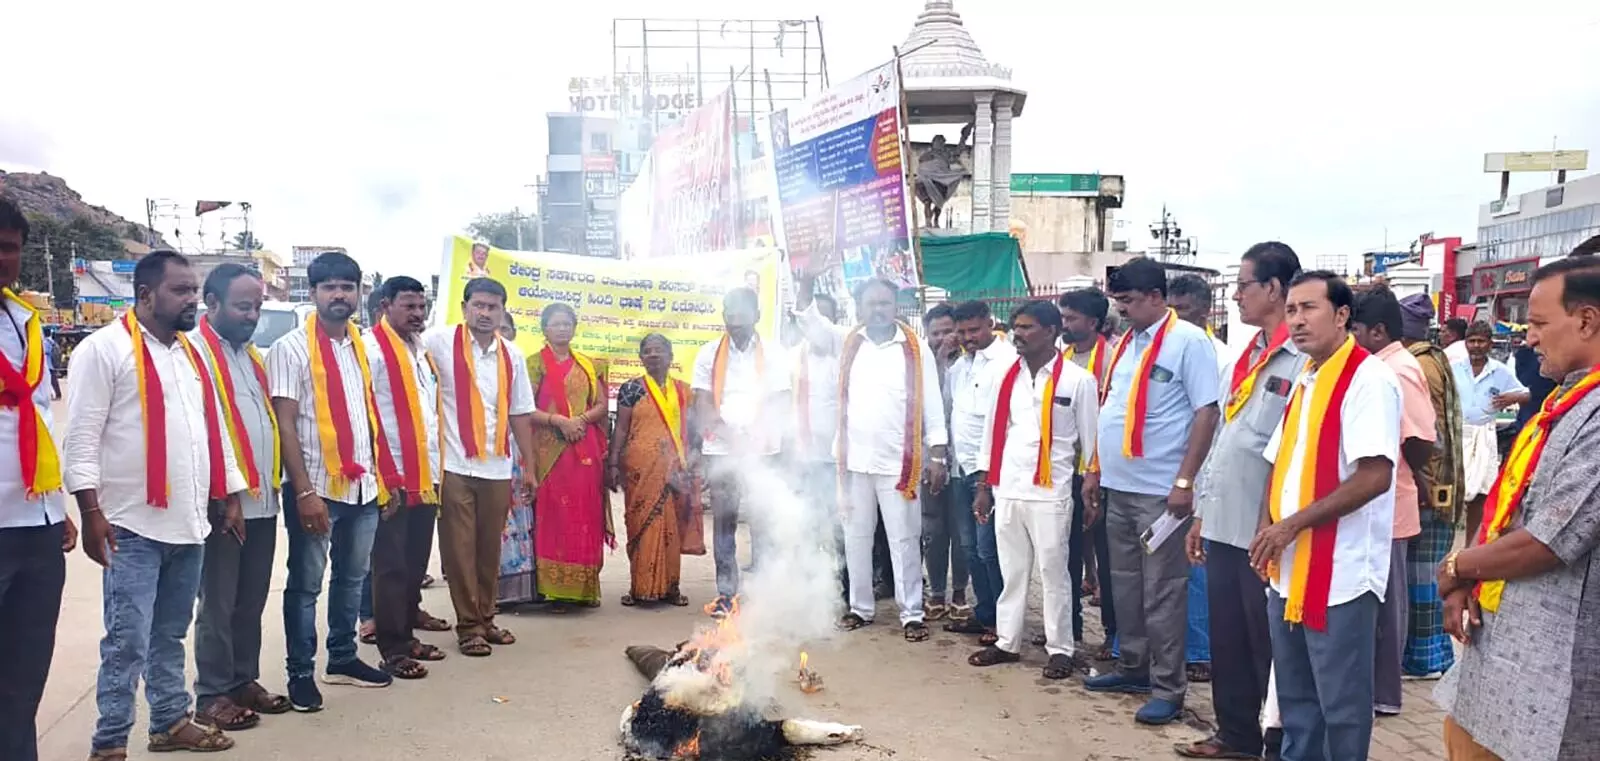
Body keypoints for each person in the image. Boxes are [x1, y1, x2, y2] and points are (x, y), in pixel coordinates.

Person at [67, 250, 249, 756]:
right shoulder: (104, 350)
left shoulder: (191, 355)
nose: (193, 299)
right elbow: (80, 438)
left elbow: (212, 432)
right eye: (181, 291)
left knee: (169, 635)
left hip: (188, 524)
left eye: (194, 289)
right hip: (130, 525)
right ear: (145, 295)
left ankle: (169, 723)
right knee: (126, 643)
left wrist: (229, 495)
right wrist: (90, 512)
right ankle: (109, 743)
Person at [1434, 254, 1600, 760]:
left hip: (1555, 670)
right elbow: (1514, 507)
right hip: (1508, 649)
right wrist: (1470, 577)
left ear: (1587, 320)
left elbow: (1552, 538)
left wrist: (1458, 565)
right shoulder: (1566, 401)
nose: (1528, 338)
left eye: (1538, 323)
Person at [1248, 270, 1400, 761]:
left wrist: (1291, 525)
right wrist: (1266, 527)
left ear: (1341, 316)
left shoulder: (1368, 379)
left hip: (1341, 574)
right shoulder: (1307, 378)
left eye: (1309, 308)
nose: (1296, 320)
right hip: (1290, 571)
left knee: (1340, 706)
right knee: (1296, 702)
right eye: (1291, 310)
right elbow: (1281, 463)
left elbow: (1375, 475)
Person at [1177, 242, 1302, 761]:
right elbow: (1225, 437)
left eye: (1244, 285)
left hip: (1266, 525)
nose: (1236, 296)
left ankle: (1275, 739)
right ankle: (1235, 736)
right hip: (1224, 518)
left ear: (1274, 288)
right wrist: (1200, 511)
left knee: (1267, 644)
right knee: (1229, 638)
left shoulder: (1301, 359)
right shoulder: (1244, 355)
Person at [1084, 256, 1221, 726]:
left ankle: (1168, 687)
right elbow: (1113, 411)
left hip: (1163, 496)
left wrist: (1185, 482)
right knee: (1124, 586)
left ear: (1157, 298)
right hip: (1119, 489)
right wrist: (1095, 471)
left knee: (1163, 591)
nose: (1120, 309)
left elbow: (1207, 412)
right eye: (1118, 301)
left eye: (1128, 301)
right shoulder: (1127, 342)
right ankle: (1133, 667)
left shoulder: (1189, 342)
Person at [270, 250, 402, 713]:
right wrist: (304, 492)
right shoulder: (290, 349)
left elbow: (370, 416)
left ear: (360, 293)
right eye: (330, 287)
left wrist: (384, 480)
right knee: (306, 585)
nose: (340, 294)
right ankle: (300, 673)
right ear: (313, 293)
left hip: (363, 488)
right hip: (317, 489)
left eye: (348, 286)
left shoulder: (364, 345)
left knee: (351, 580)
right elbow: (285, 425)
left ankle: (342, 658)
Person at [795, 269, 949, 643]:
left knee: (904, 538)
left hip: (901, 463)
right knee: (856, 536)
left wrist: (938, 456)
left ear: (896, 306)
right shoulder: (848, 341)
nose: (878, 310)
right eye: (870, 303)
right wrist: (807, 284)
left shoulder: (915, 348)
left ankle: (911, 613)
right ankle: (860, 608)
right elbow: (809, 323)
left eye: (884, 303)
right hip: (853, 461)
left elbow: (931, 403)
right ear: (859, 308)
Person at [967, 301, 1099, 680]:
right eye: (1016, 327)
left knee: (1054, 572)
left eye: (1027, 327)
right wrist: (984, 487)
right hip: (1007, 486)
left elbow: (1090, 443)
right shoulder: (1005, 376)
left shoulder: (1078, 380)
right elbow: (992, 433)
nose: (1019, 334)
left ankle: (1061, 648)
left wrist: (1091, 482)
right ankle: (1007, 642)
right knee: (1012, 570)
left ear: (1052, 331)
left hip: (1051, 489)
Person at [190, 264, 292, 730]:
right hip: (222, 503)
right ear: (210, 304)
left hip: (261, 500)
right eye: (242, 306)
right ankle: (212, 693)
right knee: (218, 602)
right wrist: (225, 494)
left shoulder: (251, 357)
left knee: (249, 601)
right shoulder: (193, 354)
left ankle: (242, 679)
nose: (252, 315)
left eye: (256, 306)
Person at [424, 278, 538, 656]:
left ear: (503, 311)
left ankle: (487, 617)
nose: (485, 313)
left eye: (493, 307)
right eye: (479, 305)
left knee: (490, 550)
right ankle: (468, 625)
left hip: (497, 466)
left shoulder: (512, 355)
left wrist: (530, 468)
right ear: (465, 307)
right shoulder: (437, 343)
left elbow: (520, 413)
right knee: (459, 550)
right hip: (454, 464)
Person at [0, 200, 76, 761]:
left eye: (10, 246)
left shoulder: (25, 320)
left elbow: (39, 419)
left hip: (36, 525)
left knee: (23, 678)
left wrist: (58, 504)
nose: (3, 258)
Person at [1348, 286, 1437, 717]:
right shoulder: (1380, 364)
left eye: (1357, 330)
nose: (1352, 338)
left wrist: (1408, 469)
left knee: (1386, 605)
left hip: (1390, 500)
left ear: (1378, 331)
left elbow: (1420, 439)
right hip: (1380, 499)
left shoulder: (1398, 370)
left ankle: (1384, 693)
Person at [365, 276, 449, 679]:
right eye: (408, 306)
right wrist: (385, 475)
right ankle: (393, 648)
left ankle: (407, 632)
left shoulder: (420, 350)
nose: (417, 314)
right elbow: (368, 416)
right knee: (391, 565)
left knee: (415, 560)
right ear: (386, 305)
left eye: (421, 307)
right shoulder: (371, 350)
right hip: (392, 473)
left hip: (425, 472)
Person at [692, 287, 789, 617]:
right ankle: (726, 593)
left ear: (757, 315)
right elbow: (702, 401)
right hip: (722, 448)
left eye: (742, 313)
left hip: (763, 448)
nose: (735, 320)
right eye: (729, 313)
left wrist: (754, 434)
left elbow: (780, 401)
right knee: (725, 521)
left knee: (762, 519)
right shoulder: (708, 353)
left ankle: (763, 594)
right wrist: (729, 434)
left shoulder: (774, 353)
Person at [1394, 293, 1464, 681]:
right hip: (1442, 481)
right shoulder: (1435, 357)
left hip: (1427, 484)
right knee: (1426, 572)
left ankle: (1423, 660)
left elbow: (1421, 436)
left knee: (1419, 575)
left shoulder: (1414, 365)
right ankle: (1433, 656)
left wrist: (1420, 480)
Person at [527, 302, 611, 607]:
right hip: (549, 451)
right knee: (553, 514)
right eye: (556, 324)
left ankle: (585, 589)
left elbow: (601, 403)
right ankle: (553, 588)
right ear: (544, 328)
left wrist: (581, 421)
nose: (562, 329)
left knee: (584, 513)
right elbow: (525, 407)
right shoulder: (533, 364)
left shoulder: (589, 365)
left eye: (567, 324)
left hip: (583, 447)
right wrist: (558, 421)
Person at [943, 300, 1017, 643]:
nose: (968, 337)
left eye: (974, 330)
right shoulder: (960, 366)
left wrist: (988, 477)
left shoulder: (1007, 362)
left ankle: (1003, 623)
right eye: (962, 332)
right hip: (961, 467)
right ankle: (984, 611)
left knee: (991, 549)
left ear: (990, 324)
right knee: (970, 548)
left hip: (989, 473)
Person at [611, 333, 698, 606]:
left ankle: (671, 586)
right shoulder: (631, 389)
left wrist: (696, 462)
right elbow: (622, 428)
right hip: (640, 469)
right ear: (640, 358)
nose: (653, 355)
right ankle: (640, 587)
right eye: (647, 351)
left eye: (659, 350)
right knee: (641, 523)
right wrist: (612, 462)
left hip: (675, 469)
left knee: (671, 525)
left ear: (671, 356)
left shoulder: (685, 391)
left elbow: (693, 431)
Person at [1166, 272, 1224, 685]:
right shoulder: (1171, 348)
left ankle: (1201, 650)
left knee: (1197, 565)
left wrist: (1191, 479)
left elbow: (1212, 415)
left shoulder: (1217, 355)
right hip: (1176, 469)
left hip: (1205, 473)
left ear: (1205, 310)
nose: (1177, 318)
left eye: (1184, 310)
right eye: (1173, 310)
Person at [1059, 288, 1117, 660]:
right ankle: (1070, 627)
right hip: (1066, 470)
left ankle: (1113, 635)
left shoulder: (1110, 359)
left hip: (1100, 471)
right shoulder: (1062, 358)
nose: (1064, 325)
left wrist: (1094, 470)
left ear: (1093, 323)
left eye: (1071, 319)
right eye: (1062, 318)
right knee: (1067, 552)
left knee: (1108, 556)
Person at [790, 294, 844, 598]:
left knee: (842, 527)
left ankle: (843, 586)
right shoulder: (793, 356)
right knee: (809, 522)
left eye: (823, 318)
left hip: (840, 457)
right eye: (811, 319)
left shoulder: (844, 354)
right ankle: (812, 585)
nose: (815, 326)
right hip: (805, 455)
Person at [1454, 320, 1528, 538]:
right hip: (1458, 433)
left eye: (1481, 341)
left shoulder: (1501, 372)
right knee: (1455, 490)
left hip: (1484, 435)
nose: (1476, 346)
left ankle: (1471, 545)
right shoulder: (1454, 369)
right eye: (1471, 341)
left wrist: (1513, 397)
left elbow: (1527, 394)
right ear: (1465, 343)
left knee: (1481, 494)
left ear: (1489, 344)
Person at [922, 302, 968, 621]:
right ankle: (937, 592)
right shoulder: (922, 362)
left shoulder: (971, 362)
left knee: (961, 531)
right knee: (933, 530)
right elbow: (930, 401)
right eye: (935, 333)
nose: (942, 338)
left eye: (947, 331)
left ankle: (960, 592)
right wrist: (938, 360)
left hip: (963, 462)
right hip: (930, 461)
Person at [497, 312, 538, 606]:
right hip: (485, 457)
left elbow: (525, 412)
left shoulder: (517, 363)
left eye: (505, 329)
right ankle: (492, 593)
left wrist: (529, 464)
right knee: (496, 524)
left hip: (517, 452)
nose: (500, 333)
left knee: (519, 522)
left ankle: (519, 591)